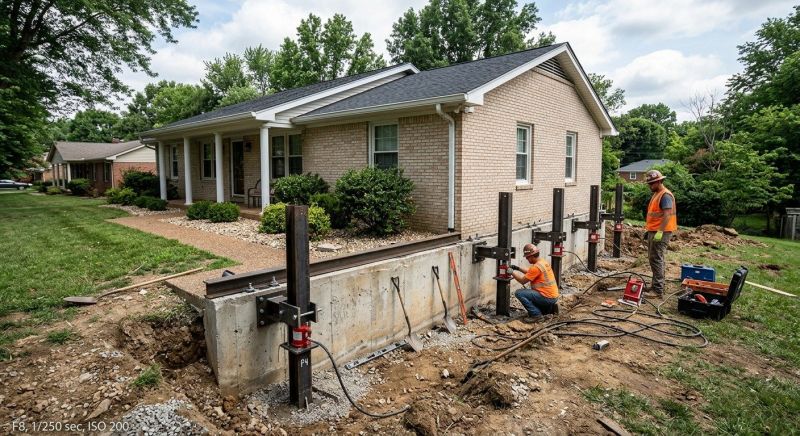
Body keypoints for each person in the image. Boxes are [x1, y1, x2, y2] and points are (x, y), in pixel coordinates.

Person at [644, 169, 677, 295]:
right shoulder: (657, 193)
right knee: (654, 258)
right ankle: (656, 286)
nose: (650, 186)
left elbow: (667, 215)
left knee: (656, 258)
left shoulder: (665, 195)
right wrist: (651, 230)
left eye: (652, 183)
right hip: (655, 230)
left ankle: (658, 289)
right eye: (649, 183)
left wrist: (659, 232)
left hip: (662, 232)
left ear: (659, 181)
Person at [508, 244, 559, 322]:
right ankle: (549, 309)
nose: (527, 259)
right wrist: (517, 268)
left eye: (527, 257)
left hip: (547, 297)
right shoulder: (542, 262)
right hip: (553, 296)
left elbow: (522, 281)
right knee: (531, 294)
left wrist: (512, 272)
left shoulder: (536, 268)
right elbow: (530, 272)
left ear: (531, 256)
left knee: (519, 293)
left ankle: (536, 315)